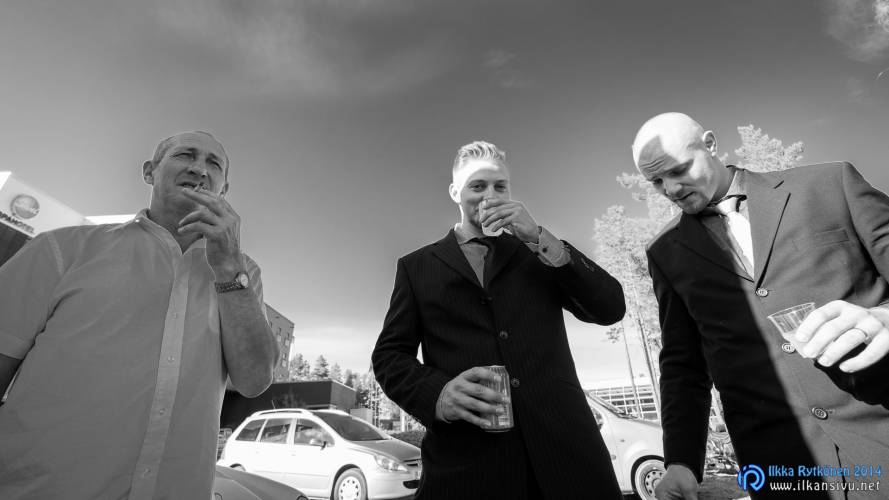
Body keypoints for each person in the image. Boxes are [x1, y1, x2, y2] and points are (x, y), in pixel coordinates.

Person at [0, 131, 279, 499]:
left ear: (223, 189)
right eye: (186, 155)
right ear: (150, 171)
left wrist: (229, 266)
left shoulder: (244, 275)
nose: (199, 169)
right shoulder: (61, 250)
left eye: (213, 164)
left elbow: (254, 381)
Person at [632, 113, 889, 500]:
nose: (670, 189)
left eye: (678, 170)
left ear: (710, 144)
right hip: (778, 467)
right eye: (656, 182)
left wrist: (884, 317)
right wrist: (681, 461)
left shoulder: (831, 184)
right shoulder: (664, 252)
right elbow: (683, 365)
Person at [372, 140, 626, 499]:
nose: (490, 196)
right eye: (477, 186)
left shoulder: (539, 252)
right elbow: (389, 356)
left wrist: (538, 237)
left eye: (500, 187)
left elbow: (610, 307)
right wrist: (437, 394)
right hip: (468, 472)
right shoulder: (416, 267)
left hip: (571, 463)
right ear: (455, 192)